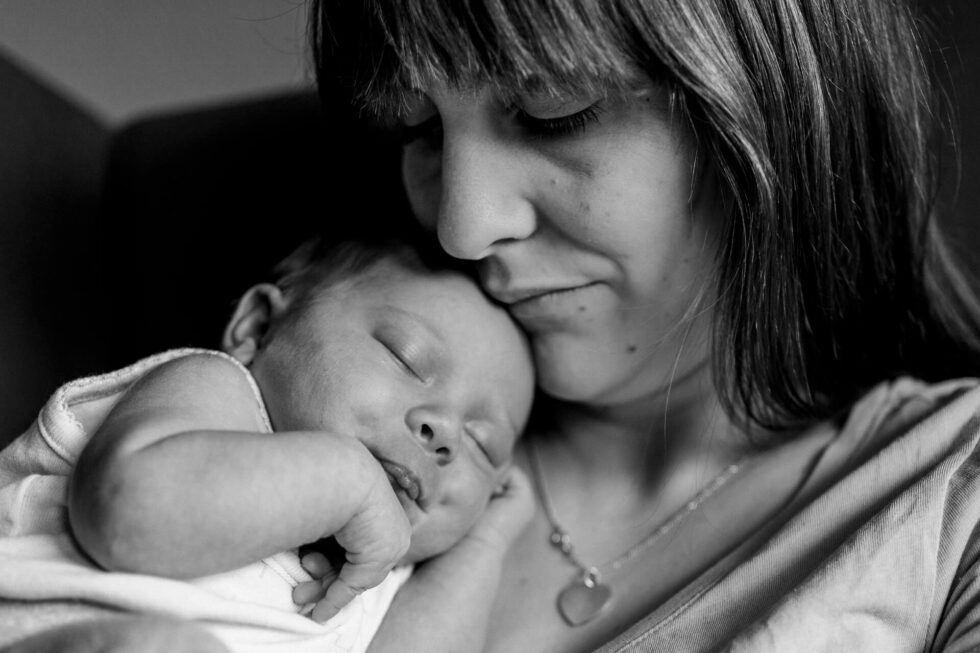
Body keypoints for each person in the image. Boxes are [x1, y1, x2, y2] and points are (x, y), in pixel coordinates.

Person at [313, 0, 980, 651]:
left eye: (554, 112)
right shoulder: (351, 414)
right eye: (421, 129)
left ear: (765, 102)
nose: (463, 228)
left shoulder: (955, 491)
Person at [0, 231, 536, 653]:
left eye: (482, 444)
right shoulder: (216, 392)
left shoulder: (381, 578)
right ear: (258, 326)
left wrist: (487, 541)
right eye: (406, 358)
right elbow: (127, 516)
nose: (443, 431)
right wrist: (348, 479)